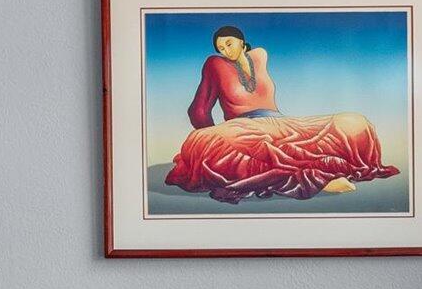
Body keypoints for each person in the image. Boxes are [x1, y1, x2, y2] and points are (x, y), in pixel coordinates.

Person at [167, 25, 398, 202]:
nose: (226, 51)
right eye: (221, 48)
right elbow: (198, 109)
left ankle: (322, 171)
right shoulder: (214, 64)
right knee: (227, 143)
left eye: (229, 43)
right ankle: (318, 179)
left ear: (241, 41)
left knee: (353, 122)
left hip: (279, 121)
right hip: (243, 126)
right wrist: (214, 134)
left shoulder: (260, 56)